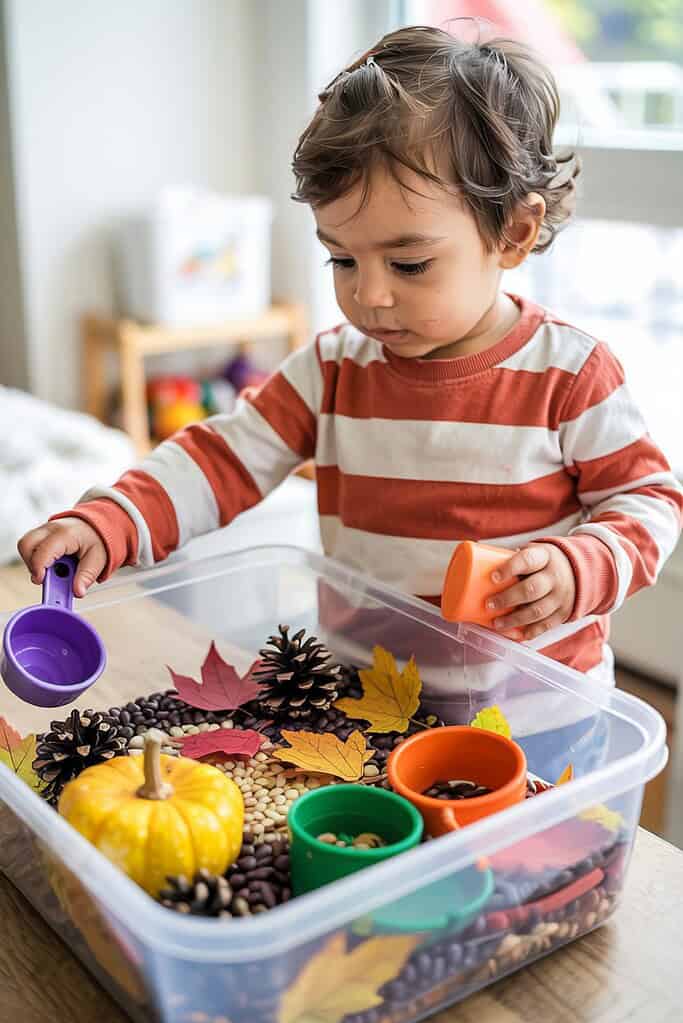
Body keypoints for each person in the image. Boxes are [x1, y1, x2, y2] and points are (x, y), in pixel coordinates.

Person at [17, 25, 682, 683]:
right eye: (340, 257)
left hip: (537, 713)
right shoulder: (332, 369)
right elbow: (219, 458)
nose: (367, 294)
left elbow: (649, 500)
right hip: (365, 698)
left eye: (409, 263)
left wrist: (580, 565)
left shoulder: (570, 375)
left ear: (511, 233)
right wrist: (113, 521)